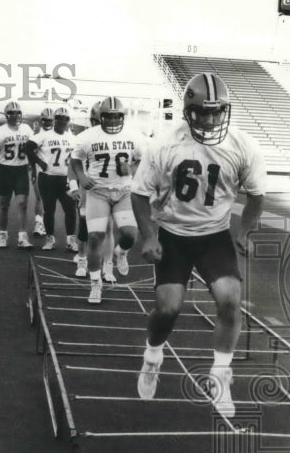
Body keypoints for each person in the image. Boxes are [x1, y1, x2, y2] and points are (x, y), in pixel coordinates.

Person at [131, 72, 265, 418]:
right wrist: (148, 236)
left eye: (217, 111)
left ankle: (219, 377)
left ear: (226, 110)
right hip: (174, 234)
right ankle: (152, 356)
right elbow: (139, 193)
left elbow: (256, 195)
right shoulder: (165, 144)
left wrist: (244, 232)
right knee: (168, 310)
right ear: (187, 112)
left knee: (230, 301)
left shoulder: (243, 145)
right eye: (202, 113)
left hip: (214, 235)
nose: (209, 119)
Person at [69, 96, 143, 303]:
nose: (112, 120)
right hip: (98, 192)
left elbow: (142, 160)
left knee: (130, 235)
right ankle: (95, 284)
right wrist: (81, 177)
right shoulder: (87, 136)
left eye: (116, 116)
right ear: (101, 117)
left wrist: (130, 168)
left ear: (122, 117)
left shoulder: (135, 136)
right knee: (95, 237)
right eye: (108, 117)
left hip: (124, 192)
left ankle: (121, 253)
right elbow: (74, 159)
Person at [25, 107, 77, 251]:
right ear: (55, 119)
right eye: (59, 118)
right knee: (49, 210)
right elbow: (28, 147)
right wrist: (38, 161)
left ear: (69, 121)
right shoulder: (44, 135)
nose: (62, 121)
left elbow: (79, 157)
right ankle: (50, 239)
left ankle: (71, 241)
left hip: (65, 178)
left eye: (65, 118)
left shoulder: (73, 138)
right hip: (47, 178)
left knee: (70, 210)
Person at [0, 100, 35, 248]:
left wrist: (34, 167)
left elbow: (33, 148)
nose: (15, 116)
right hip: (6, 170)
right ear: (6, 115)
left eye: (18, 113)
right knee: (4, 205)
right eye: (12, 113)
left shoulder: (26, 129)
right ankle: (3, 235)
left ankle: (22, 237)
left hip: (21, 169)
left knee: (22, 204)